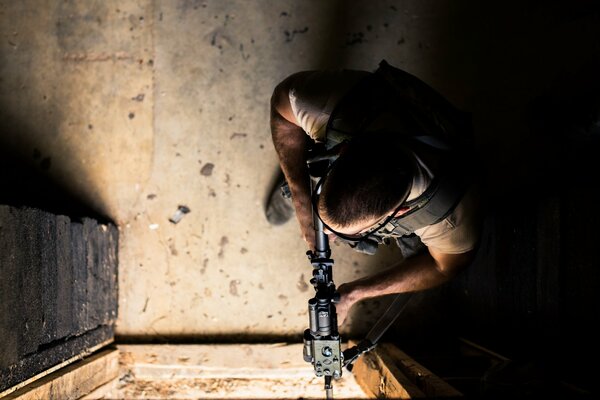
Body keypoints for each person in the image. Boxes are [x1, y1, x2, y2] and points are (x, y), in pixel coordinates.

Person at [267, 59, 483, 327]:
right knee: (301, 158)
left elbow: (445, 266)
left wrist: (354, 293)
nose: (327, 235)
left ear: (399, 212)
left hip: (439, 149)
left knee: (418, 257)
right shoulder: (337, 104)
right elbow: (281, 106)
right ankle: (297, 171)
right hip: (374, 116)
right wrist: (301, 197)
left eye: (343, 234)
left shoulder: (448, 213)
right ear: (345, 151)